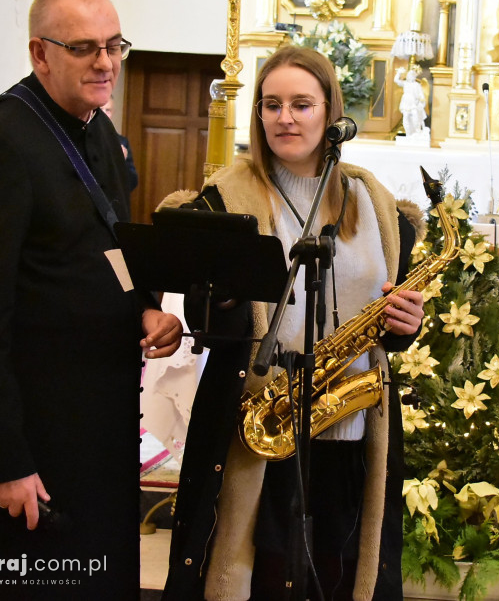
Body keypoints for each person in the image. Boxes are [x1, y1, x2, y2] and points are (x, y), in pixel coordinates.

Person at [0, 0, 182, 599]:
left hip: (90, 429)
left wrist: (143, 307)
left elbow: (111, 247)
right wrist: (2, 462)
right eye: (84, 48)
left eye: (114, 46)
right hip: (27, 439)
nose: (105, 62)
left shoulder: (99, 136)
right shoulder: (2, 147)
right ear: (40, 53)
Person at [160, 45, 425, 601]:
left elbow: (394, 318)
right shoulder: (220, 201)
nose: (286, 117)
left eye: (302, 104)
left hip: (351, 424)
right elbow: (204, 320)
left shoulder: (376, 203)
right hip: (258, 419)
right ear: (257, 114)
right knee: (261, 573)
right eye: (272, 104)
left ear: (331, 113)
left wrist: (406, 322)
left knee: (339, 568)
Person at [102, 94, 139, 192]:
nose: (104, 115)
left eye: (108, 110)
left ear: (112, 113)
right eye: (100, 110)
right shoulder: (82, 137)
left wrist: (121, 162)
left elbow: (132, 182)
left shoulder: (122, 142)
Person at [395, 66, 428, 138]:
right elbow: (396, 80)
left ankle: (416, 131)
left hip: (413, 102)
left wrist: (421, 100)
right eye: (409, 75)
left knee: (415, 115)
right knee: (406, 116)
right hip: (406, 101)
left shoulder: (417, 85)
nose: (410, 77)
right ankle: (408, 133)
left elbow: (421, 94)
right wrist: (399, 73)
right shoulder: (405, 83)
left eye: (412, 75)